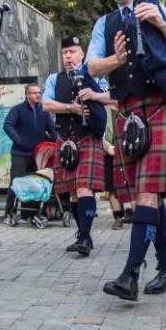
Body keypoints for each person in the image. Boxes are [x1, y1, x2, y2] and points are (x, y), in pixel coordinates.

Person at [87, 0, 166, 300]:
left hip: (161, 106)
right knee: (147, 195)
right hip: (129, 113)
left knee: (147, 193)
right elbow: (91, 68)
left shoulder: (156, 7)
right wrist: (116, 60)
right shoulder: (105, 24)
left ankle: (130, 274)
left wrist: (161, 23)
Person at [42, 36, 113, 255]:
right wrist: (70, 108)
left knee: (83, 188)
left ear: (82, 54)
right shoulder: (55, 79)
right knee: (72, 191)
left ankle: (85, 236)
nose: (68, 56)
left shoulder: (95, 74)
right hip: (65, 139)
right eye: (65, 53)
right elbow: (46, 104)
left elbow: (114, 97)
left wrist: (94, 95)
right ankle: (83, 235)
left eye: (72, 52)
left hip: (88, 137)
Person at [3, 82, 55, 225]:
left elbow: (52, 130)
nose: (38, 95)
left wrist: (58, 142)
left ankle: (30, 215)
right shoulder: (18, 110)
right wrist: (19, 141)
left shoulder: (44, 111)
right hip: (20, 153)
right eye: (34, 92)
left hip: (37, 155)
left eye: (39, 92)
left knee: (35, 185)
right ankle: (9, 213)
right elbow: (7, 125)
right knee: (16, 183)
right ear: (27, 95)